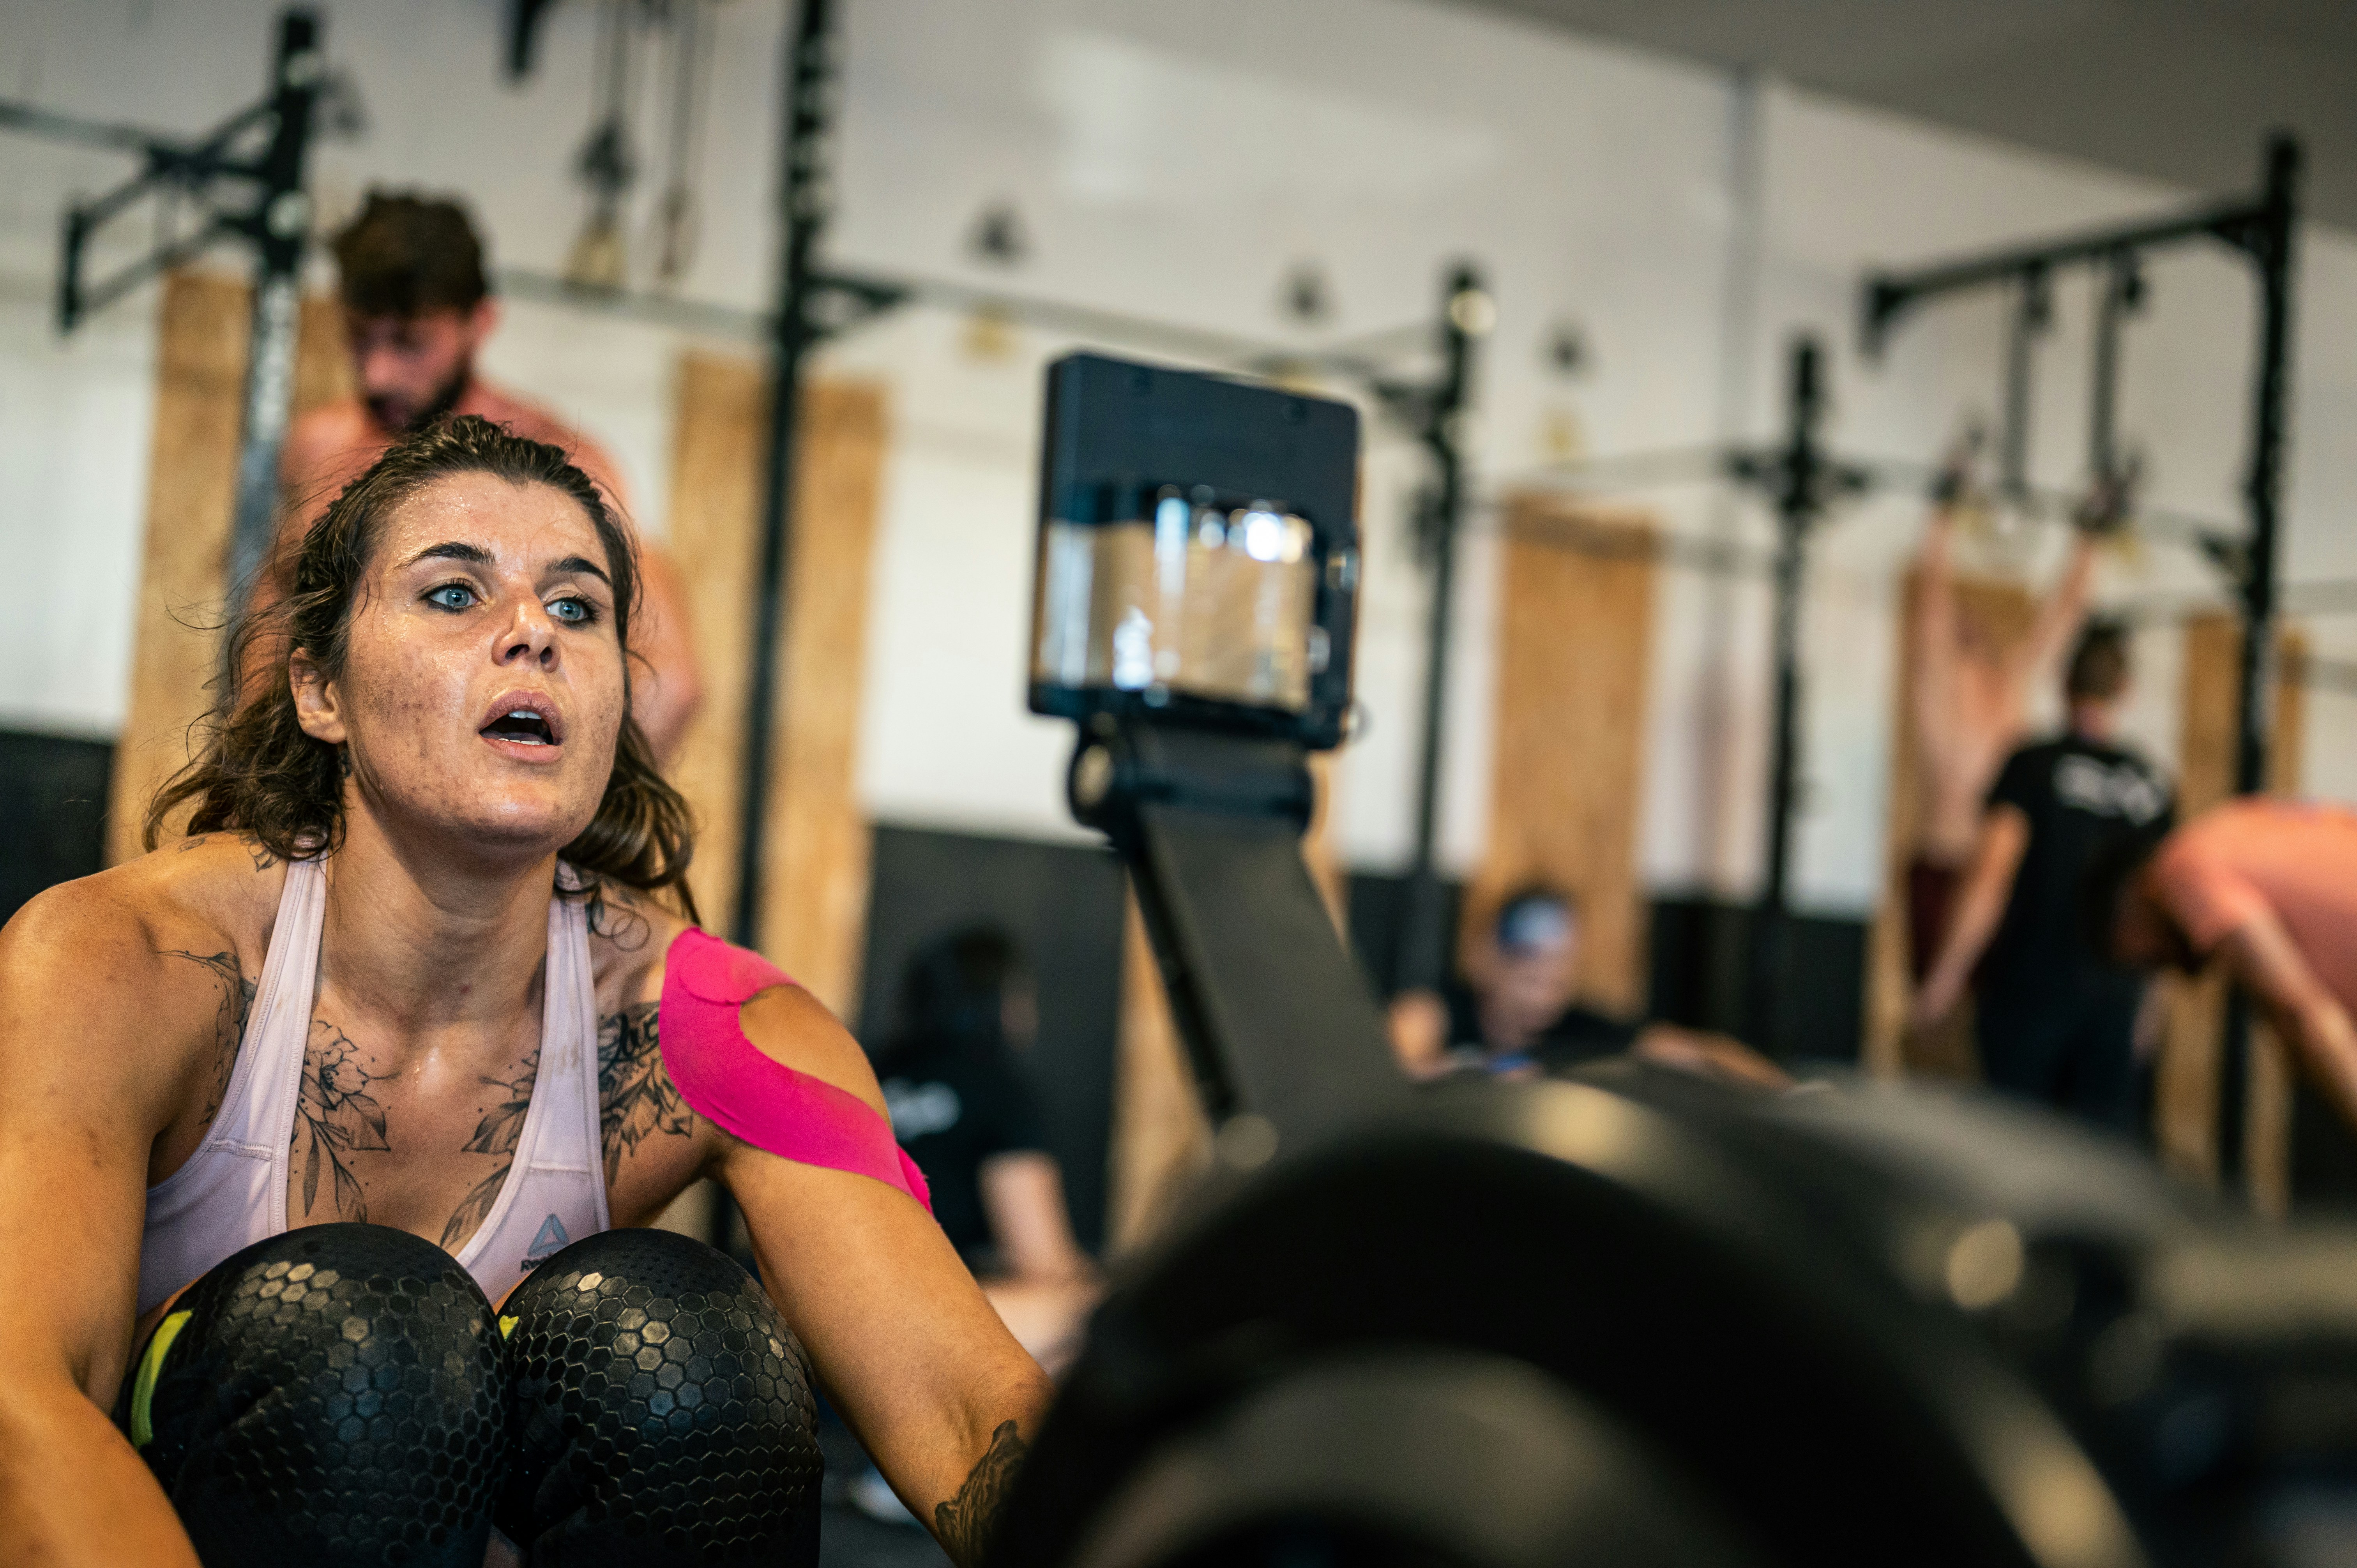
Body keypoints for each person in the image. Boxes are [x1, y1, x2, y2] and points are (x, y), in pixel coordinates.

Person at [0, 418, 1044, 1567]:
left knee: (677, 1353)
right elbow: (21, 1403)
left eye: (579, 607)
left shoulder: (719, 1029)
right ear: (320, 688)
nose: (533, 634)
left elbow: (965, 1409)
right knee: (358, 1341)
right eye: (454, 594)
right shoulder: (123, 962)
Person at [273, 190, 702, 762]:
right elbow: (276, 625)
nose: (377, 374)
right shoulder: (319, 446)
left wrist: (566, 827)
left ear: (480, 323)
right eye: (360, 338)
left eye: (409, 343)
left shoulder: (558, 462)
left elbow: (673, 684)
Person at [1914, 621, 2172, 1131]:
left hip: (2030, 993)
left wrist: (1941, 985)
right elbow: (2163, 912)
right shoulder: (2149, 785)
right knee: (2099, 1164)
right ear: (2124, 690)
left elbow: (1991, 874)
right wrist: (2150, 1011)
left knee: (2014, 1152)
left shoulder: (2033, 765)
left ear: (2063, 682)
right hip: (2115, 1005)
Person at [2088, 798, 2357, 1192]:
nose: (2163, 969)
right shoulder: (2232, 828)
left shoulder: (2181, 869)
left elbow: (2303, 1012)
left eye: (2146, 961)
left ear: (2127, 902)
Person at [1905, 440, 2100, 981]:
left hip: (2007, 880)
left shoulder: (2012, 684)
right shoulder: (1943, 692)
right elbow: (1932, 607)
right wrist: (1941, 514)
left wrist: (2090, 540)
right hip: (1945, 868)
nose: (1970, 629)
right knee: (1939, 1017)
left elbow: (2063, 619)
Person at [874, 927, 1100, 1378]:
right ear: (1001, 1001)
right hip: (906, 1325)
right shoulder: (998, 1088)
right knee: (1095, 1314)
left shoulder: (865, 1068)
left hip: (812, 1308)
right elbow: (1040, 1259)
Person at [1387, 886, 1785, 1089]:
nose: (1541, 993)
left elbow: (1694, 1051)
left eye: (1556, 977)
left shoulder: (1580, 1030)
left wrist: (1790, 1095)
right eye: (1530, 975)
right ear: (1492, 961)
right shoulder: (1444, 1011)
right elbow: (1398, 1048)